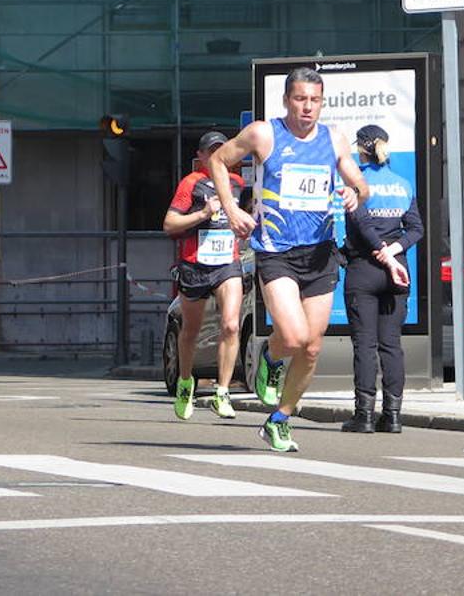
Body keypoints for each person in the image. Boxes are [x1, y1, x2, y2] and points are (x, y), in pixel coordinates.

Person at [209, 67, 369, 453]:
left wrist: (355, 193)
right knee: (293, 336)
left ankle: (279, 419)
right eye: (300, 99)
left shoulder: (333, 138)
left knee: (312, 347)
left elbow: (358, 181)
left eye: (314, 100)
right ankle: (270, 357)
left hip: (320, 253)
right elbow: (217, 160)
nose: (307, 107)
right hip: (276, 250)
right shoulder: (265, 133)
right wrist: (231, 209)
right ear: (286, 100)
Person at [340, 125, 422, 434]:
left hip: (365, 268)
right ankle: (394, 415)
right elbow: (416, 229)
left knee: (365, 344)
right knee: (391, 345)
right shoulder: (402, 184)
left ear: (361, 149)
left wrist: (381, 253)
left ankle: (364, 416)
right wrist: (394, 251)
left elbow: (359, 224)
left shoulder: (359, 184)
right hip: (398, 271)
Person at [163, 130, 246, 421]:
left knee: (231, 325)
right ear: (200, 156)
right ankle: (186, 382)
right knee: (190, 332)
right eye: (211, 151)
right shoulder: (191, 183)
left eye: (222, 150)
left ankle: (222, 392)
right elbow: (170, 223)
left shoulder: (238, 184)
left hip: (228, 263)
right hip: (195, 266)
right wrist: (202, 214)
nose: (216, 156)